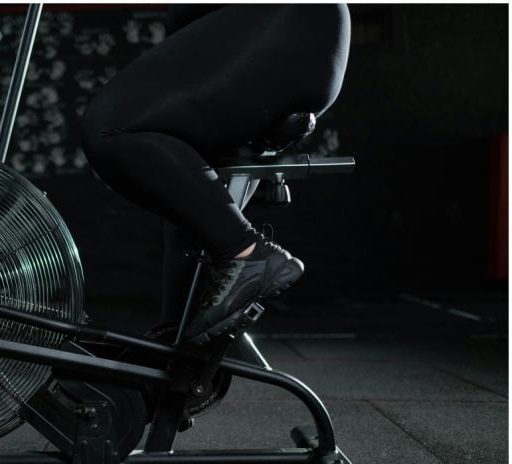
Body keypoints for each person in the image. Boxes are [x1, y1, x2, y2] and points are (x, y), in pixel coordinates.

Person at [80, 4, 351, 345]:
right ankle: (178, 346)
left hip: (279, 30)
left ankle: (247, 254)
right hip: (284, 40)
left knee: (109, 127)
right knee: (184, 179)